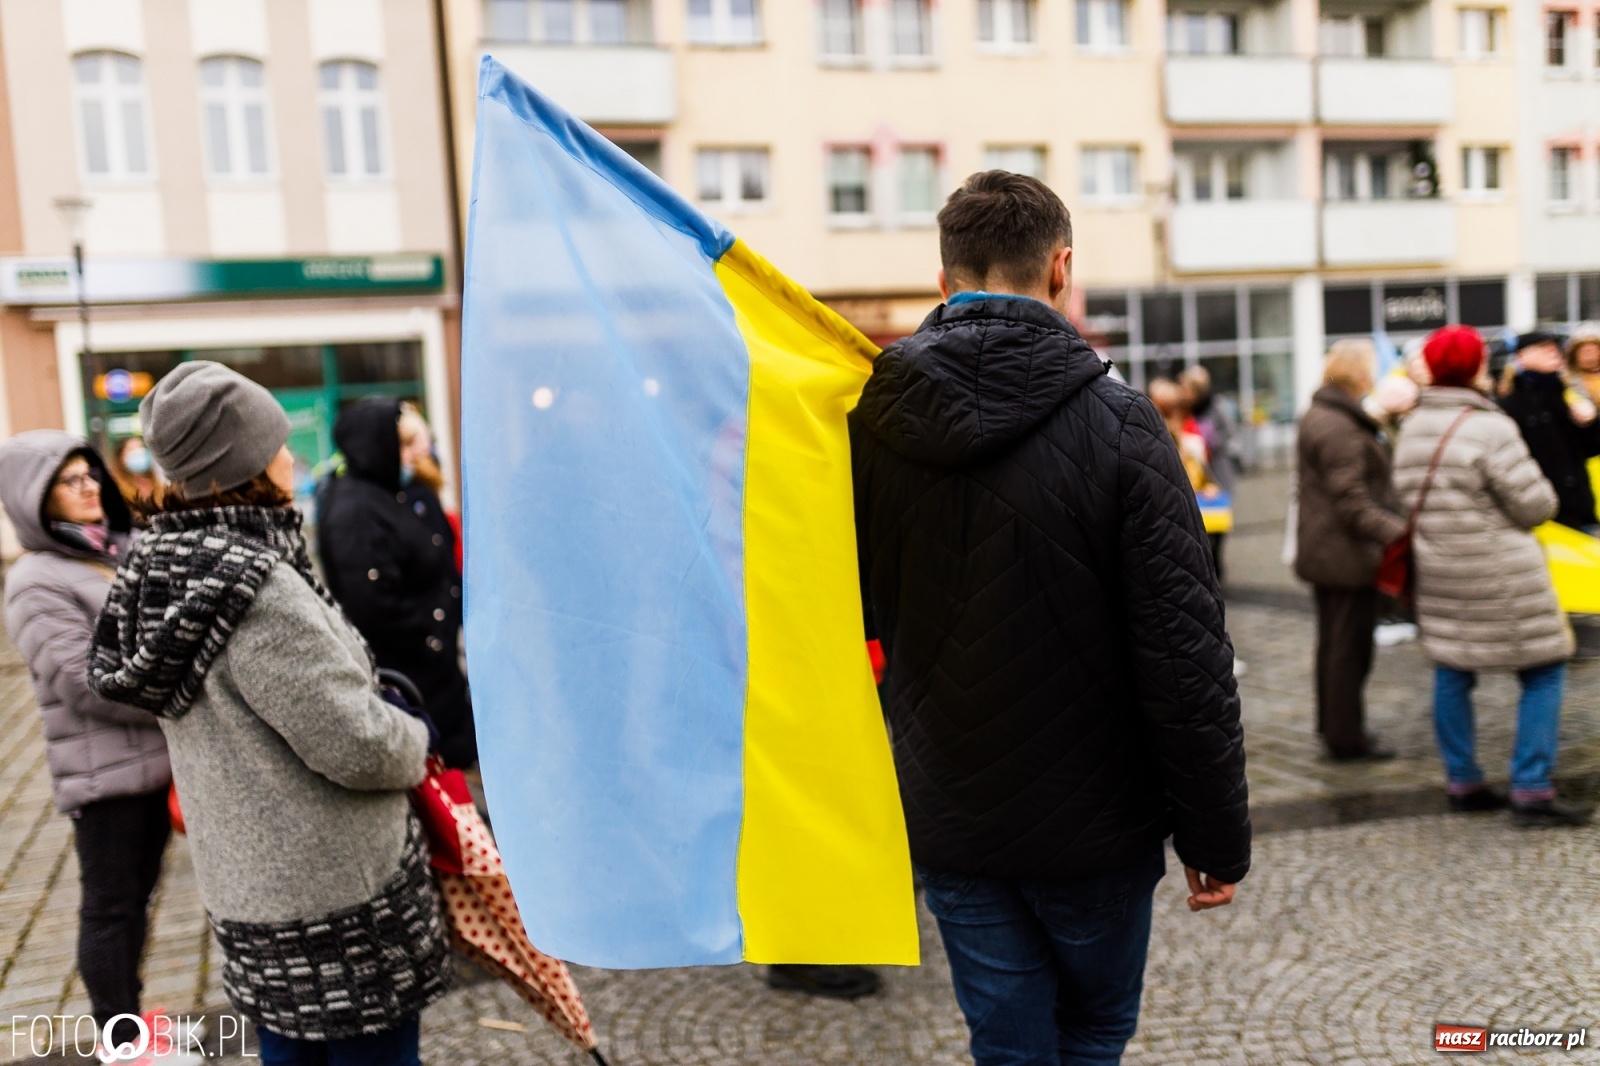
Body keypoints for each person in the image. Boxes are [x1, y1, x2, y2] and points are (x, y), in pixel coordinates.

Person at [849, 171, 1250, 1065]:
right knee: (1096, 1028)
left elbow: (842, 608)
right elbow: (1184, 654)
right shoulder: (1124, 425)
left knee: (1007, 1041)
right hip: (1096, 824)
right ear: (1061, 267)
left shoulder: (868, 422)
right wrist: (1215, 832)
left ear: (944, 279)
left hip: (950, 805)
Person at [87, 362, 453, 1065]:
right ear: (244, 462)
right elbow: (353, 744)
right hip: (339, 898)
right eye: (278, 442)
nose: (292, 456)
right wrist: (415, 733)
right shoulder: (255, 588)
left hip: (254, 891)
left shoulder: (164, 569)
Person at [0, 433, 192, 1065]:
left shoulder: (118, 551)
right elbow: (85, 684)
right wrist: (180, 683)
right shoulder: (35, 580)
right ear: (34, 497)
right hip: (104, 777)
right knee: (110, 909)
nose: (89, 486)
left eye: (90, 475)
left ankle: (134, 1023)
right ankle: (122, 1041)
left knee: (138, 903)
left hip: (154, 765)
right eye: (69, 480)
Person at [1393, 326, 1591, 827]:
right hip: (1502, 574)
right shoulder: (1490, 426)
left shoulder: (1413, 425)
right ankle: (1530, 788)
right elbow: (1537, 504)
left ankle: (1463, 781)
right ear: (1473, 367)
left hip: (1440, 569)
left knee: (1453, 670)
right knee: (1545, 669)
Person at [317, 398, 477, 768]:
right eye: (403, 445)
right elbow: (371, 603)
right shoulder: (354, 510)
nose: (416, 453)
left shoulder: (395, 492)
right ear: (377, 447)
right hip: (411, 679)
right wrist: (433, 636)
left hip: (438, 675)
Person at [1293, 340, 1406, 762]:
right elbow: (1352, 501)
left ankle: (1337, 728)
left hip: (1331, 553)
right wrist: (1399, 533)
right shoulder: (1338, 424)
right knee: (1346, 651)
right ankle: (1345, 737)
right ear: (1359, 374)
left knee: (1335, 647)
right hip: (1344, 557)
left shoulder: (1327, 414)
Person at [1499, 331, 1600, 535]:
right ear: (1521, 356)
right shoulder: (1510, 404)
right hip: (1542, 517)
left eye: (1554, 347)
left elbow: (1592, 448)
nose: (1552, 352)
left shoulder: (1568, 395)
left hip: (1581, 510)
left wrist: (1591, 422)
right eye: (1543, 348)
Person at [1180, 365, 1237, 494]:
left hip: (1217, 470)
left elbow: (1228, 434)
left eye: (1186, 389)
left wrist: (1205, 444)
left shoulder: (1216, 407)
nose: (1183, 393)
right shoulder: (1184, 411)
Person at [109, 436, 157, 504]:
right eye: (132, 449)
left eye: (141, 447)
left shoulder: (156, 482)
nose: (138, 452)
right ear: (120, 457)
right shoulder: (115, 487)